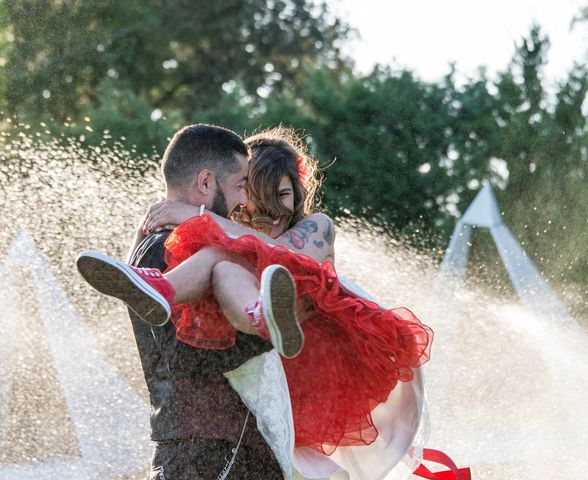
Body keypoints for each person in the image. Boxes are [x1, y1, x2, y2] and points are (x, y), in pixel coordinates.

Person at [79, 126, 433, 457]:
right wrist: (153, 230)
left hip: (320, 363)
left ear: (298, 192)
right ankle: (242, 309)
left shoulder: (315, 227)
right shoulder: (221, 240)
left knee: (224, 254)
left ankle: (248, 310)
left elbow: (285, 258)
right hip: (256, 392)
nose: (275, 209)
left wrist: (196, 214)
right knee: (223, 261)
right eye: (255, 194)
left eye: (283, 194)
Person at [79, 124, 286, 480]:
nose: (244, 202)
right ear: (206, 183)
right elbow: (185, 356)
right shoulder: (171, 246)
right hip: (211, 450)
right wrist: (269, 332)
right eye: (239, 186)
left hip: (206, 447)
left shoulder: (161, 243)